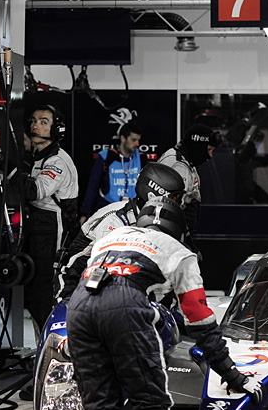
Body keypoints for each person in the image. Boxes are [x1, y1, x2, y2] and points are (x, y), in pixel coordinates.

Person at [68, 198, 265, 410]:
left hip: (78, 306)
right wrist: (233, 375)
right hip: (126, 305)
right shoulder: (179, 252)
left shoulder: (110, 237)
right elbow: (201, 324)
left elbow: (74, 270)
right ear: (179, 228)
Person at [54, 162, 186, 305]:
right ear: (153, 195)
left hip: (125, 282)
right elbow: (104, 269)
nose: (180, 203)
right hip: (78, 280)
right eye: (175, 198)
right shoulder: (115, 220)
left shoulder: (165, 221)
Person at [15, 104, 79, 335]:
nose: (35, 125)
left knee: (45, 297)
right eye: (33, 120)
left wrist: (7, 165)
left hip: (54, 232)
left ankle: (52, 354)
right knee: (35, 298)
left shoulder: (57, 161)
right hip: (38, 228)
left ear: (56, 128)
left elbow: (35, 191)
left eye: (43, 121)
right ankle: (42, 353)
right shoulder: (38, 158)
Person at [157, 116, 221, 234]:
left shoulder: (188, 163)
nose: (210, 156)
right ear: (199, 146)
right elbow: (167, 207)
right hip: (167, 231)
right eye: (209, 149)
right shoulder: (176, 164)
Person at [80, 121, 146, 222]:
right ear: (123, 138)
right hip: (108, 209)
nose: (137, 144)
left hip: (132, 211)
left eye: (138, 140)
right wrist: (85, 213)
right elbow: (93, 186)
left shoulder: (142, 158)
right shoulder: (106, 156)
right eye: (133, 140)